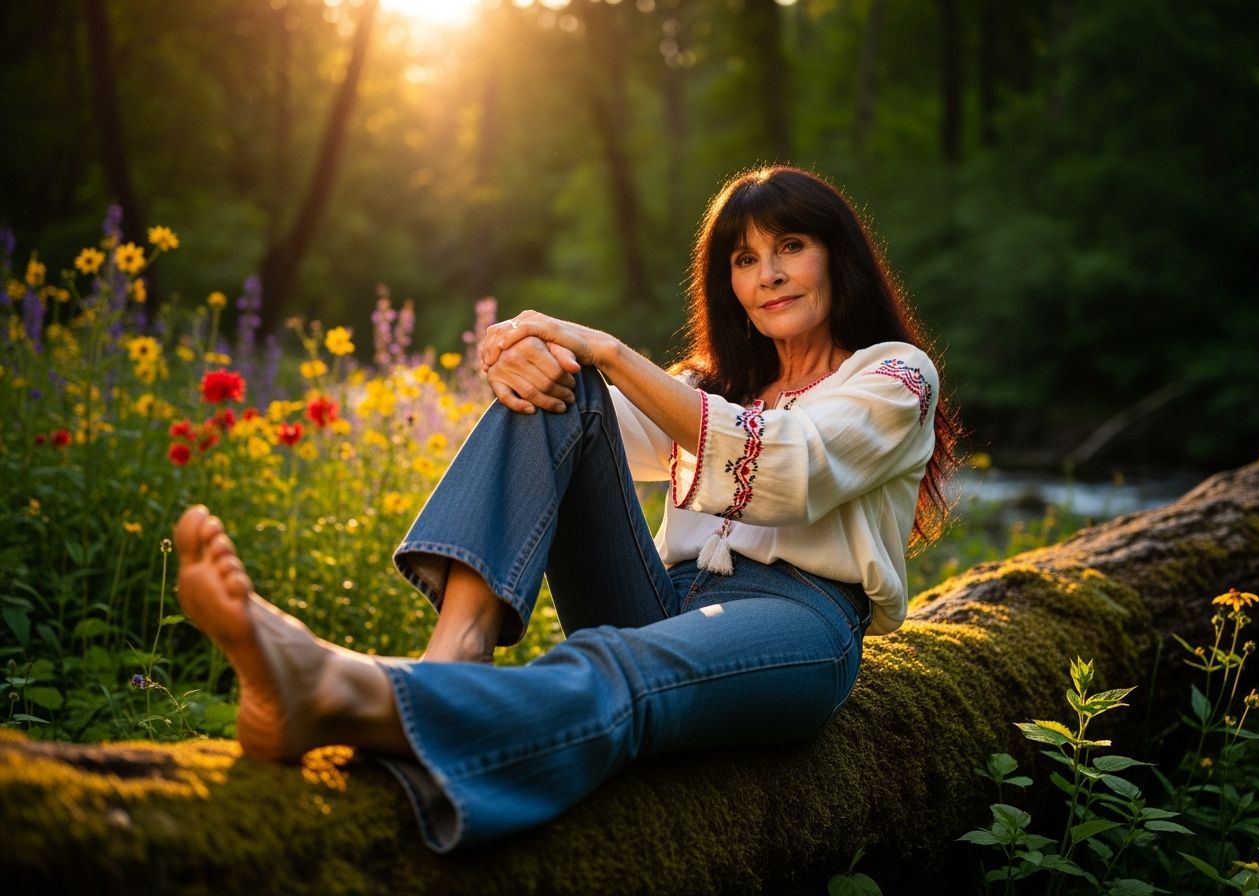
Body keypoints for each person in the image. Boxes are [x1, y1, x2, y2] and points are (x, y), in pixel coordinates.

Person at [174, 165, 959, 851]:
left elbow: (791, 468)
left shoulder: (894, 376)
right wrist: (526, 364)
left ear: (837, 256)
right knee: (559, 390)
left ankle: (345, 690)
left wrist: (610, 352)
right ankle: (456, 651)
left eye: (791, 246)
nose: (768, 274)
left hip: (794, 621)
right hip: (664, 596)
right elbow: (580, 425)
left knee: (623, 665)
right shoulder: (710, 387)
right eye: (745, 258)